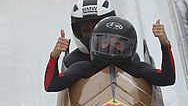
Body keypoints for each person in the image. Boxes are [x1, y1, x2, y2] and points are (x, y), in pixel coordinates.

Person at [44, 15, 175, 92]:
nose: (111, 48)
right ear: (95, 44)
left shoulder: (137, 68)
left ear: (129, 48)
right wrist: (54, 56)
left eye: (118, 44)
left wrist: (165, 44)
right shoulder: (83, 68)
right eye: (105, 42)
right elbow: (51, 85)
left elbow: (167, 78)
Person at [44, 0, 116, 91]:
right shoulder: (76, 64)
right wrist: (54, 56)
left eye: (98, 28)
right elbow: (50, 86)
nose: (93, 35)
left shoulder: (129, 59)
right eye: (86, 30)